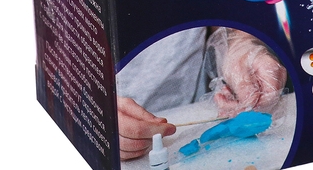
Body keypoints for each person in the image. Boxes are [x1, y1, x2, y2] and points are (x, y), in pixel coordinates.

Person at [116, 26, 287, 160]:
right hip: (121, 133)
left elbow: (217, 4)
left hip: (197, 110)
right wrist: (102, 117)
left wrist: (239, 43)